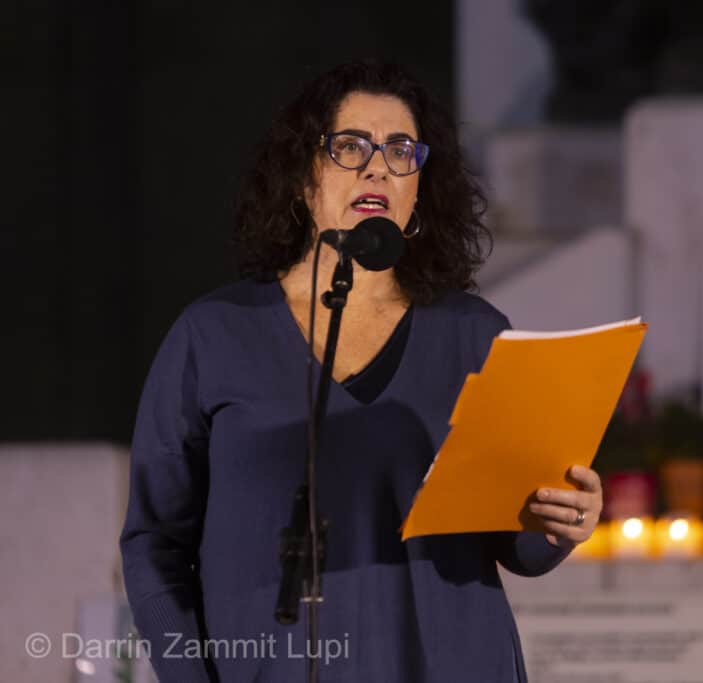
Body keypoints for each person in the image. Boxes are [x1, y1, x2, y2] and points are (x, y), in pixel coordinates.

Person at [119, 62, 602, 682]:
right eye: (350, 146)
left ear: (420, 188)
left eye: (400, 151)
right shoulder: (213, 335)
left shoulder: (474, 335)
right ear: (303, 178)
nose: (378, 168)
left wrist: (562, 524)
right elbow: (154, 543)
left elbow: (520, 547)